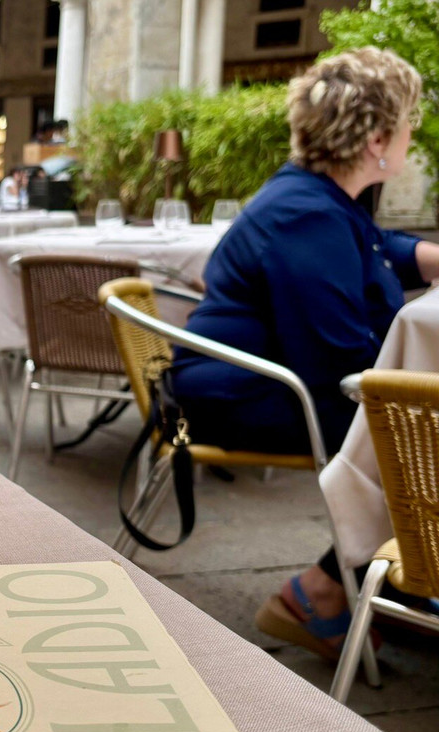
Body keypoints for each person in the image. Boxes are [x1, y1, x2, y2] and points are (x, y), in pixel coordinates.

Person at [170, 48, 439, 658]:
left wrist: (428, 260)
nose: (411, 135)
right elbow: (339, 361)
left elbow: (374, 247)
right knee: (422, 436)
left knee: (419, 425)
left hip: (261, 380)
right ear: (376, 140)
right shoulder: (306, 214)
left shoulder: (318, 197)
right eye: (408, 123)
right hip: (247, 396)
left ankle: (388, 585)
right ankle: (323, 590)